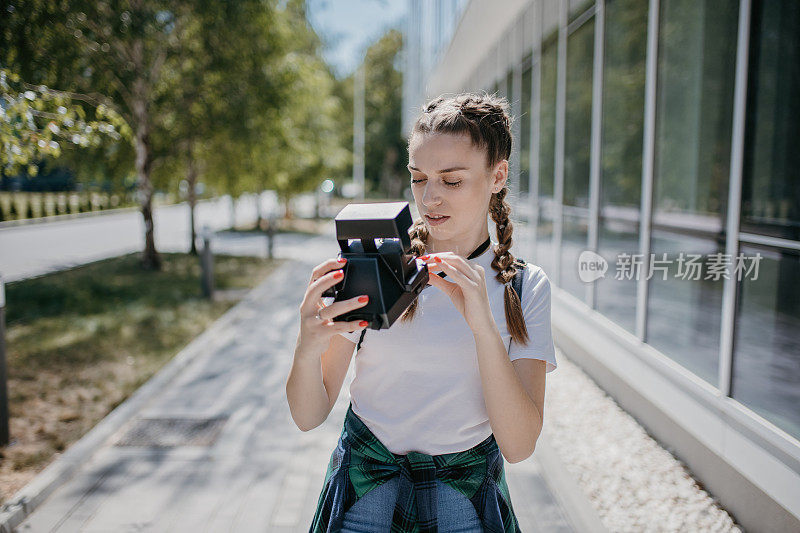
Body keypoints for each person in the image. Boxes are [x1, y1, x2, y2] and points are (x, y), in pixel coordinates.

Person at [285, 92, 557, 533]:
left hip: (462, 504)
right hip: (362, 499)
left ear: (497, 176)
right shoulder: (377, 264)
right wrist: (304, 348)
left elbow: (519, 445)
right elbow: (307, 415)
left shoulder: (524, 287)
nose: (429, 198)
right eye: (418, 178)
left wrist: (484, 328)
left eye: (451, 181)